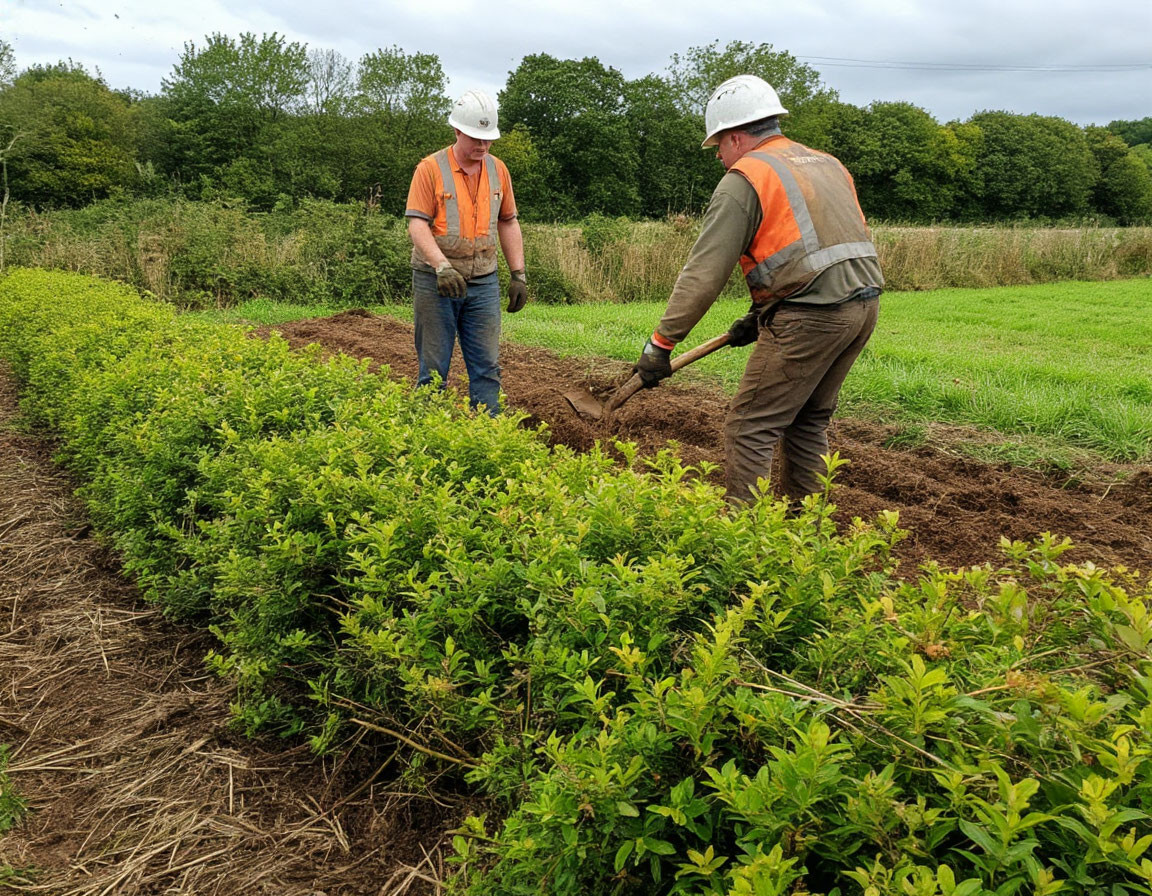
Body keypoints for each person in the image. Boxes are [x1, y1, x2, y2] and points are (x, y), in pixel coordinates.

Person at [633, 74, 883, 503]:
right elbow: (814, 249)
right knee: (807, 421)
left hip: (812, 315)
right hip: (862, 306)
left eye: (718, 147)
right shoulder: (826, 163)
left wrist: (660, 345)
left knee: (751, 425)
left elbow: (703, 273)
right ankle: (804, 533)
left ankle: (743, 541)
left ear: (735, 136)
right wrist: (761, 311)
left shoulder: (745, 177)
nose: (719, 159)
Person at [405, 89, 527, 415]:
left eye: (488, 140)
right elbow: (417, 225)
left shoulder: (498, 170)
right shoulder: (429, 169)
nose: (482, 146)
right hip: (436, 282)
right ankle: (427, 432)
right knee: (433, 367)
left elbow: (508, 221)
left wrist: (518, 273)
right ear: (457, 130)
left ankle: (488, 433)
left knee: (487, 365)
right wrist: (441, 266)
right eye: (475, 138)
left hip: (483, 281)